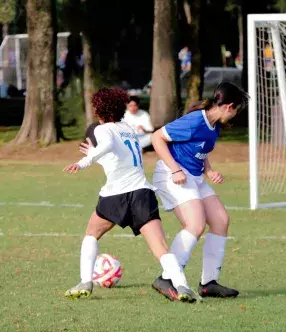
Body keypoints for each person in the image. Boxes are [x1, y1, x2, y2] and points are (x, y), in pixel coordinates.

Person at [63, 87, 197, 303]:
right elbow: (118, 157)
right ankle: (182, 285)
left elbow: (106, 145)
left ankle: (85, 282)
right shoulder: (127, 129)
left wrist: (84, 161)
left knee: (91, 234)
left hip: (115, 196)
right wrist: (94, 155)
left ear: (99, 109)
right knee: (160, 247)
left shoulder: (101, 130)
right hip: (142, 193)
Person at [151, 82, 249, 299]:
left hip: (194, 176)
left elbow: (199, 150)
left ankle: (208, 283)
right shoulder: (195, 120)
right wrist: (175, 169)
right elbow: (157, 137)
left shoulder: (213, 125)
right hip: (172, 174)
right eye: (236, 111)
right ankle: (167, 278)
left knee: (221, 220)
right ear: (228, 106)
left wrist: (210, 171)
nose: (235, 116)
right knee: (195, 224)